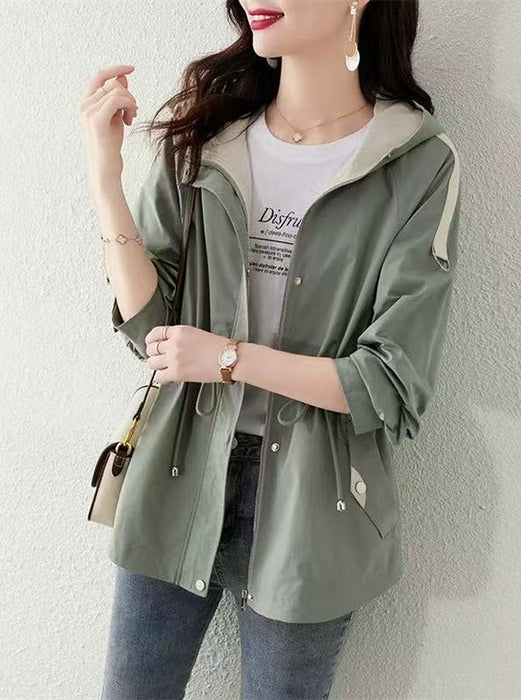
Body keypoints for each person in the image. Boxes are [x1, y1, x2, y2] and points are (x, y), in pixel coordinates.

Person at [78, 0, 461, 697]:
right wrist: (106, 177)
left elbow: (391, 381)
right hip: (177, 469)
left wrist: (229, 359)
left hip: (315, 503)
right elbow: (151, 328)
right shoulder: (206, 140)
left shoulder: (416, 162)